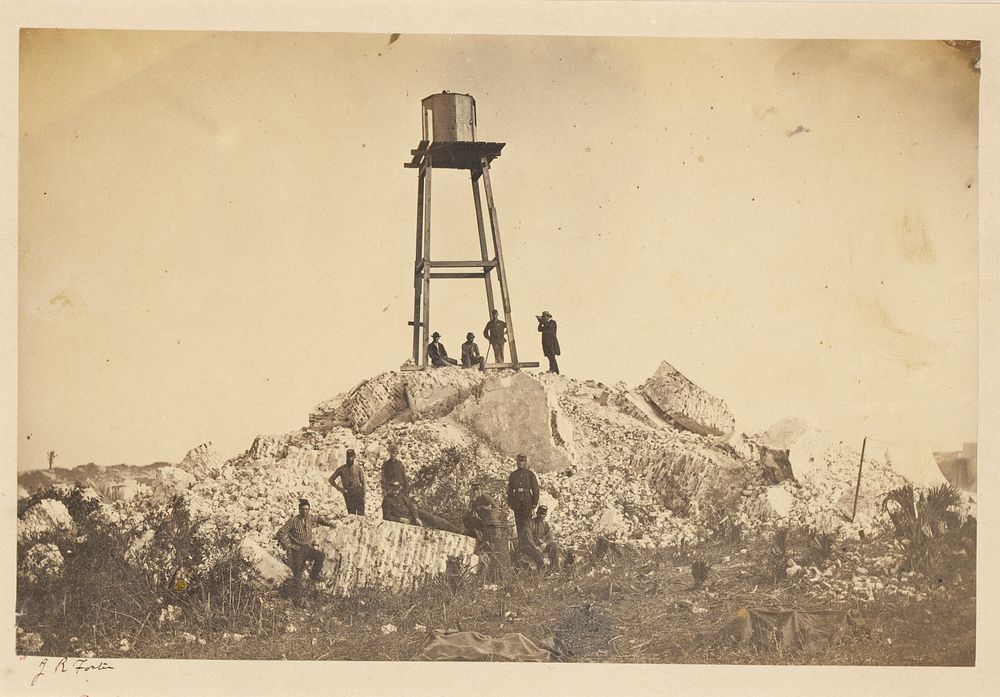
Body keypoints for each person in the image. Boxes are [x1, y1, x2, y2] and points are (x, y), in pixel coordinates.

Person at [275, 498, 327, 597]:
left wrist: (329, 523)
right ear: (299, 509)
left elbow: (319, 519)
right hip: (297, 550)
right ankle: (297, 599)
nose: (305, 511)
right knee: (298, 573)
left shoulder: (310, 518)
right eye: (303, 509)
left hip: (307, 548)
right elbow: (281, 532)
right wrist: (289, 545)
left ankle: (313, 576)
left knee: (320, 556)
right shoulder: (293, 521)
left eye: (307, 509)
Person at [506, 453, 539, 542]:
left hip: (527, 502)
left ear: (525, 462)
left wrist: (534, 502)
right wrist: (510, 503)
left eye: (522, 461)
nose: (520, 463)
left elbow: (535, 489)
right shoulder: (513, 475)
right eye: (518, 461)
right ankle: (521, 547)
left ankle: (529, 545)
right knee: (519, 525)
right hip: (517, 503)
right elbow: (510, 490)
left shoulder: (530, 474)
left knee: (526, 525)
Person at [521, 505, 561, 572]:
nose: (542, 516)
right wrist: (536, 547)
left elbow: (550, 538)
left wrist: (545, 543)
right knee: (537, 554)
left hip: (540, 546)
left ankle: (555, 568)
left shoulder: (545, 524)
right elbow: (529, 539)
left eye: (544, 514)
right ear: (537, 513)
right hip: (530, 547)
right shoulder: (530, 523)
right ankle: (542, 570)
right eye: (540, 514)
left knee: (554, 546)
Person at [329, 448, 366, 515]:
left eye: (351, 456)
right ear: (346, 457)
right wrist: (340, 489)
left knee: (361, 515)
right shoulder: (341, 469)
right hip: (348, 493)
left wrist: (363, 494)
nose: (350, 458)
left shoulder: (358, 468)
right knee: (352, 514)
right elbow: (331, 479)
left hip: (358, 492)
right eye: (348, 456)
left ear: (354, 457)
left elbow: (363, 482)